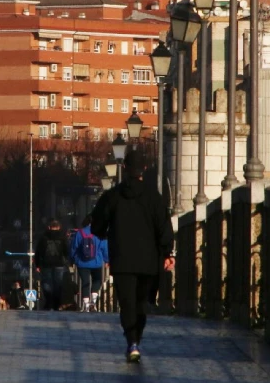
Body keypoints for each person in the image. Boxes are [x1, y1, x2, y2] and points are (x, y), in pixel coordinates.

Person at [90, 150, 174, 363]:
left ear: (125, 168)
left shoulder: (113, 196)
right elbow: (163, 227)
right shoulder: (154, 197)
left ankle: (132, 342)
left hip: (122, 259)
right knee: (140, 303)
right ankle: (137, 338)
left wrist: (106, 233)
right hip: (148, 261)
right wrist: (167, 252)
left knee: (126, 303)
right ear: (143, 170)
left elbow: (97, 225)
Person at [70, 215, 108, 313]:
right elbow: (104, 248)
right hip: (97, 263)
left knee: (85, 282)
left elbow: (74, 247)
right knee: (97, 281)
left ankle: (86, 305)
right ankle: (93, 302)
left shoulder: (80, 233)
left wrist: (72, 259)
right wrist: (107, 260)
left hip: (82, 263)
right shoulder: (100, 233)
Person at [35, 219, 70, 311]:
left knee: (46, 283)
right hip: (59, 264)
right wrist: (67, 261)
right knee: (58, 284)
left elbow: (38, 252)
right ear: (59, 227)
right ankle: (56, 304)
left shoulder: (44, 237)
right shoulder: (63, 237)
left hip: (46, 264)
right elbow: (67, 251)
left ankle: (48, 302)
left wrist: (37, 264)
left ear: (49, 227)